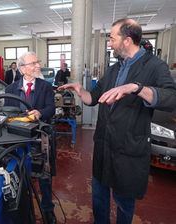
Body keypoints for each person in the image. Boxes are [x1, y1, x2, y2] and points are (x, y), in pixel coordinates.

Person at [59, 18, 176, 224]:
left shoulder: (154, 66)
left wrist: (136, 88)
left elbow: (171, 97)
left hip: (128, 146)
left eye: (112, 38)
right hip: (104, 144)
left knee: (123, 201)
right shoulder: (114, 69)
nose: (109, 43)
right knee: (99, 196)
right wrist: (80, 90)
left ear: (127, 40)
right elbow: (93, 98)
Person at [5, 52, 56, 224]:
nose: (37, 66)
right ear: (22, 69)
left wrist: (40, 112)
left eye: (37, 62)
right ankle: (24, 210)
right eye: (33, 63)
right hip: (18, 139)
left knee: (45, 176)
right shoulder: (11, 89)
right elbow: (7, 113)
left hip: (41, 139)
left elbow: (51, 108)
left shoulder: (45, 86)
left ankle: (48, 209)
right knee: (19, 174)